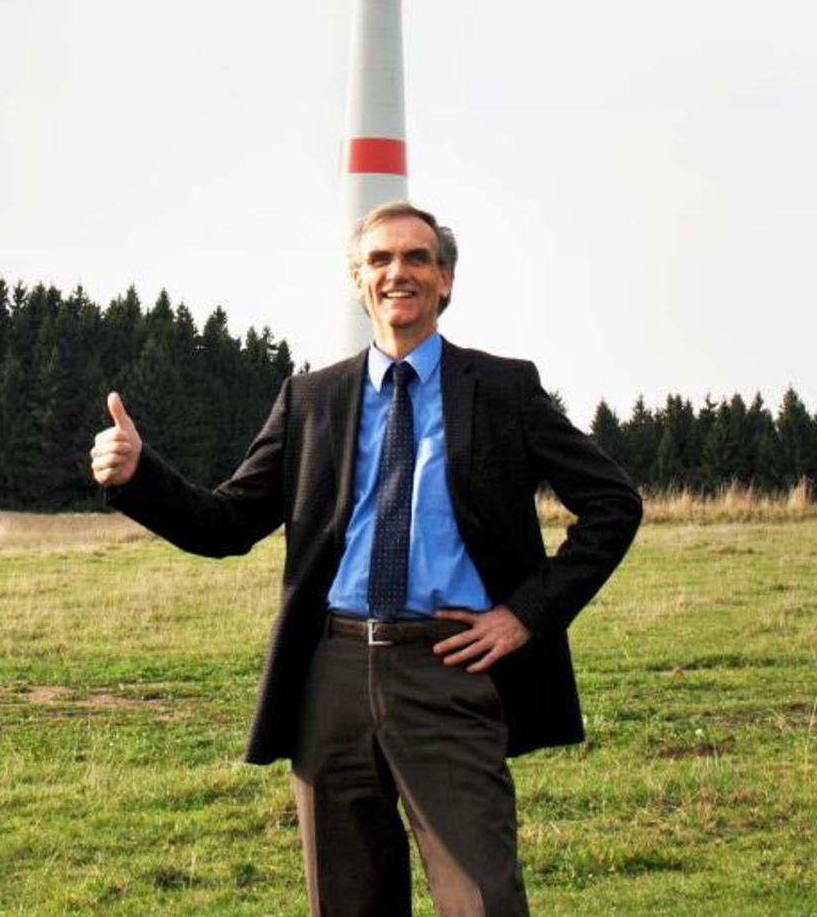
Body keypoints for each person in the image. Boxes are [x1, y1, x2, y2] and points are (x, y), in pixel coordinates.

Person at [90, 201, 642, 917]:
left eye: (416, 258)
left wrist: (524, 615)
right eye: (379, 259)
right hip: (332, 677)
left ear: (445, 279)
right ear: (358, 281)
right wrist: (140, 475)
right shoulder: (311, 398)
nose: (397, 272)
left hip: (449, 668)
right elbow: (225, 522)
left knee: (482, 900)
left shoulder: (503, 390)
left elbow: (613, 503)